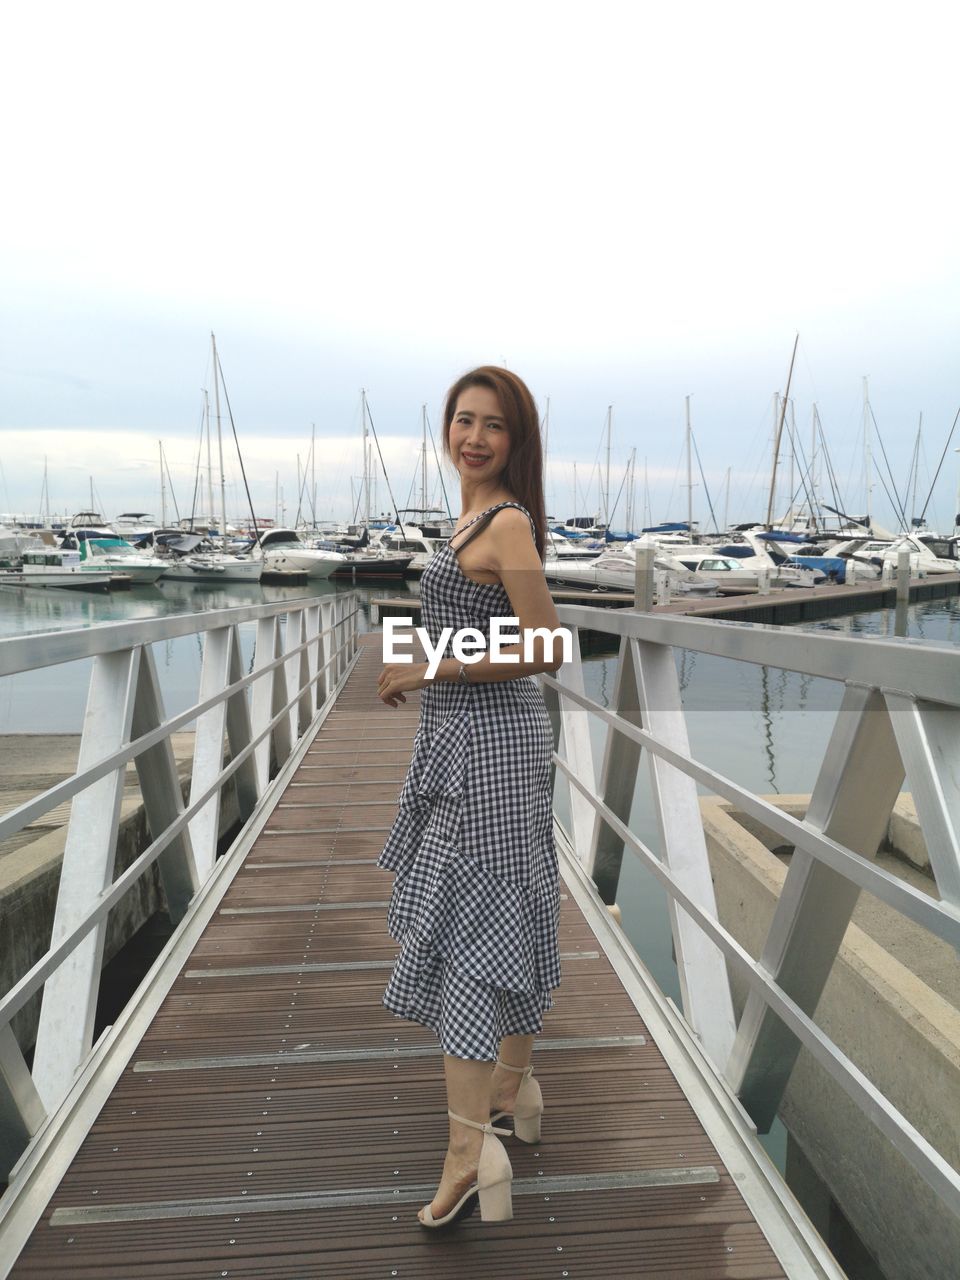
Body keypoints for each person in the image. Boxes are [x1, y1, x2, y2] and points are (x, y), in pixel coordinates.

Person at [377, 366, 565, 1229]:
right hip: (469, 738)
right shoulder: (470, 519)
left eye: (494, 426)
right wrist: (415, 664)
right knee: (508, 910)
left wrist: (437, 666)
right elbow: (475, 623)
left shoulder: (508, 522)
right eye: (464, 420)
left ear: (515, 442)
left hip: (491, 752)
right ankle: (513, 1088)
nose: (476, 437)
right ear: (445, 428)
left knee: (468, 937)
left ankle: (467, 1150)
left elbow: (546, 644)